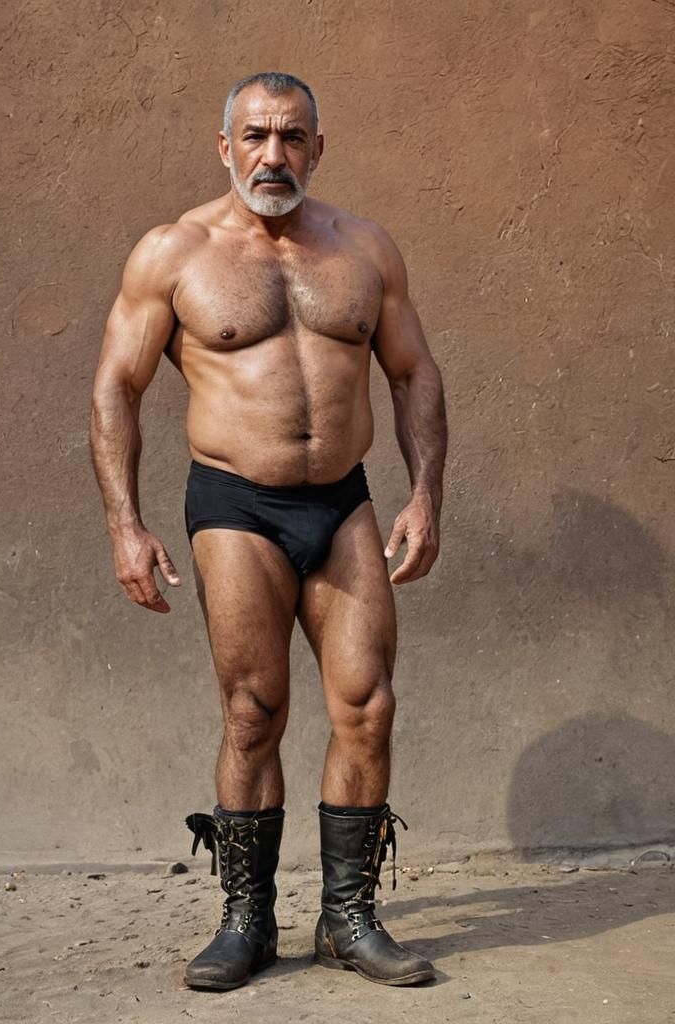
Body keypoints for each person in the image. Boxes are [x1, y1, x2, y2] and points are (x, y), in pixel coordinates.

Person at [90, 71, 447, 990]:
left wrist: (425, 496)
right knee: (255, 711)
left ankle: (348, 919)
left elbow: (413, 374)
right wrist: (126, 526)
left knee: (367, 706)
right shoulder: (173, 254)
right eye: (254, 136)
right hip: (235, 504)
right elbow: (116, 390)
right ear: (225, 146)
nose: (272, 155)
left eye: (291, 137)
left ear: (319, 148)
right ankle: (246, 922)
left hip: (344, 502)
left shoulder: (364, 249)